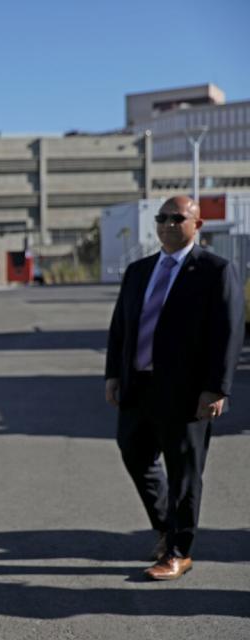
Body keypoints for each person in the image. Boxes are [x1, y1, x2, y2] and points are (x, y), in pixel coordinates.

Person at [105, 195, 245, 581]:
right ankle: (167, 526)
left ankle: (179, 551)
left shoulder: (215, 270)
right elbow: (121, 329)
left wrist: (217, 388)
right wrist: (113, 374)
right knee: (134, 453)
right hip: (139, 387)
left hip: (188, 395)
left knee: (184, 473)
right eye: (162, 217)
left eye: (177, 218)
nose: (167, 223)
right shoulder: (138, 271)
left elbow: (227, 334)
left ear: (196, 224)